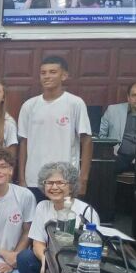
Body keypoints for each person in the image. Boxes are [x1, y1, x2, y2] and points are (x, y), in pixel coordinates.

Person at [16, 162, 100, 273]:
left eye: (60, 182)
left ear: (71, 186)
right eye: (49, 183)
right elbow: (38, 243)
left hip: (75, 264)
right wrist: (45, 262)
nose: (54, 187)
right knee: (24, 258)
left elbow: (92, 248)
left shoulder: (86, 211)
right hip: (50, 259)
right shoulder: (42, 206)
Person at [18, 56, 92, 204]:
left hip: (65, 180)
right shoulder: (29, 106)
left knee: (63, 222)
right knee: (35, 223)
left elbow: (87, 141)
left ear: (64, 76)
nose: (47, 76)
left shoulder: (75, 103)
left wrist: (83, 178)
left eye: (52, 72)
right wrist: (21, 178)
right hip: (34, 178)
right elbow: (24, 142)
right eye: (43, 72)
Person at [99, 82, 136, 173]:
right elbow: (102, 136)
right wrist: (110, 152)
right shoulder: (113, 111)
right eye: (134, 95)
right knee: (105, 170)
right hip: (119, 156)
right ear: (128, 97)